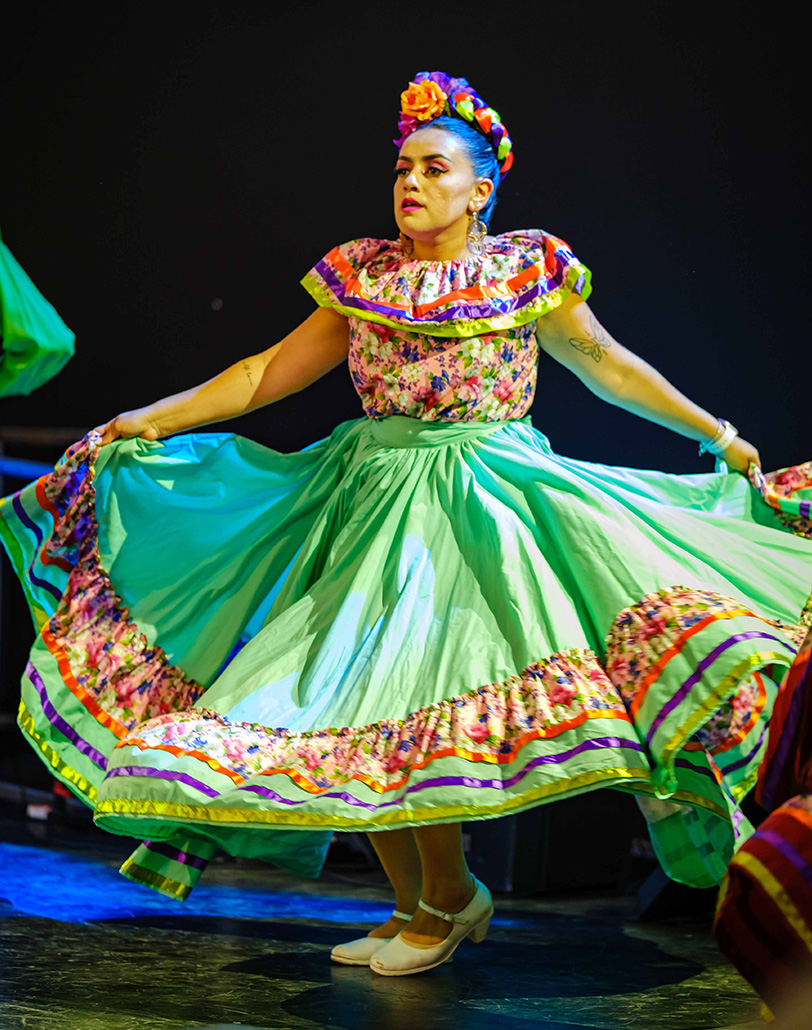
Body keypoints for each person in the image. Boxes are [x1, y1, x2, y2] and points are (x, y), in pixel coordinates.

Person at [1, 71, 810, 978]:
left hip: (482, 496)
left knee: (410, 692)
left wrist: (718, 434)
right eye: (403, 169)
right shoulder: (362, 274)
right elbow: (268, 370)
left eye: (435, 168)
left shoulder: (523, 269)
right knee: (348, 700)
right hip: (365, 493)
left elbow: (609, 366)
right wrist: (156, 416)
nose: (412, 184)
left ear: (480, 189)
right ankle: (426, 899)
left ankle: (449, 896)